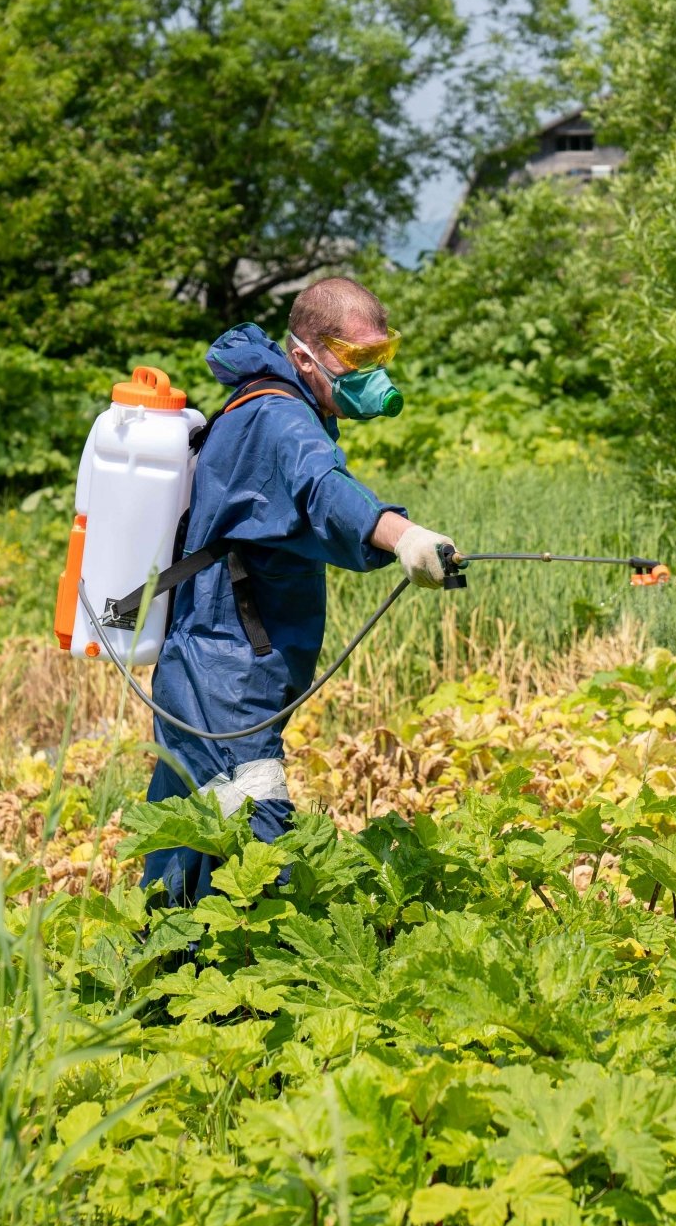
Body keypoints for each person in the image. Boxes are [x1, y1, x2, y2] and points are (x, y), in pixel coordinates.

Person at [139, 277, 454, 906]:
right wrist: (405, 537)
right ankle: (265, 963)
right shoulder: (281, 418)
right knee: (259, 849)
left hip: (210, 660)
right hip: (225, 670)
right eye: (358, 358)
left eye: (382, 355)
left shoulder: (276, 404)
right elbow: (324, 490)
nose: (373, 374)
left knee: (188, 839)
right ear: (305, 355)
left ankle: (159, 954)